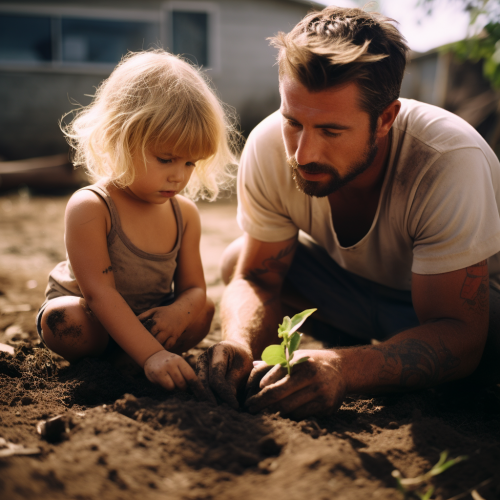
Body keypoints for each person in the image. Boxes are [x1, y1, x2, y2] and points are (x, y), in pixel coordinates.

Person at [196, 6, 500, 418]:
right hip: (352, 295)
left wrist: (344, 368)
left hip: (461, 313)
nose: (302, 154)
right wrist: (237, 344)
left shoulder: (447, 159)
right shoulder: (268, 146)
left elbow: (460, 334)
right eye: (293, 122)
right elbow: (257, 277)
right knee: (239, 260)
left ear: (385, 119)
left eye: (331, 131)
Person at [37, 50, 236, 398]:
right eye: (165, 159)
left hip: (150, 317)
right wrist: (153, 353)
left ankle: (130, 358)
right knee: (64, 321)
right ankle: (126, 358)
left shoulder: (184, 214)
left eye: (191, 163)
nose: (179, 175)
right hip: (94, 317)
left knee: (202, 311)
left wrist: (178, 312)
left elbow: (195, 290)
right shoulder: (92, 206)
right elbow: (99, 294)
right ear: (119, 135)